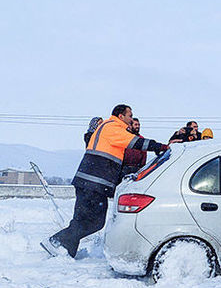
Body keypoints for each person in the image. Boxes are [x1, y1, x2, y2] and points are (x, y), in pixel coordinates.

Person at [42, 104, 167, 258]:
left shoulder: (106, 127)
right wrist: (159, 146)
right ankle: (57, 241)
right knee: (96, 222)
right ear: (121, 116)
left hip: (86, 181)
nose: (131, 119)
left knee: (80, 219)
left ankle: (64, 250)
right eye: (129, 115)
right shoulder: (113, 128)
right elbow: (136, 143)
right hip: (95, 182)